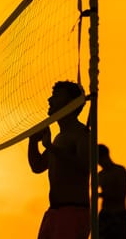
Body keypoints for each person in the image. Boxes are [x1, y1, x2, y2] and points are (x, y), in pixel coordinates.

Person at [28, 81, 90, 239]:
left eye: (56, 96)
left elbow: (85, 166)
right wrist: (32, 141)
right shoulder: (59, 138)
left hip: (72, 213)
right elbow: (37, 166)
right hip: (54, 213)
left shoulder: (82, 134)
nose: (50, 100)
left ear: (70, 103)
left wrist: (51, 147)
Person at [98, 144, 126, 239]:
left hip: (118, 214)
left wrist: (102, 194)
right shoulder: (100, 175)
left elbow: (121, 194)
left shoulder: (120, 171)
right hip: (105, 215)